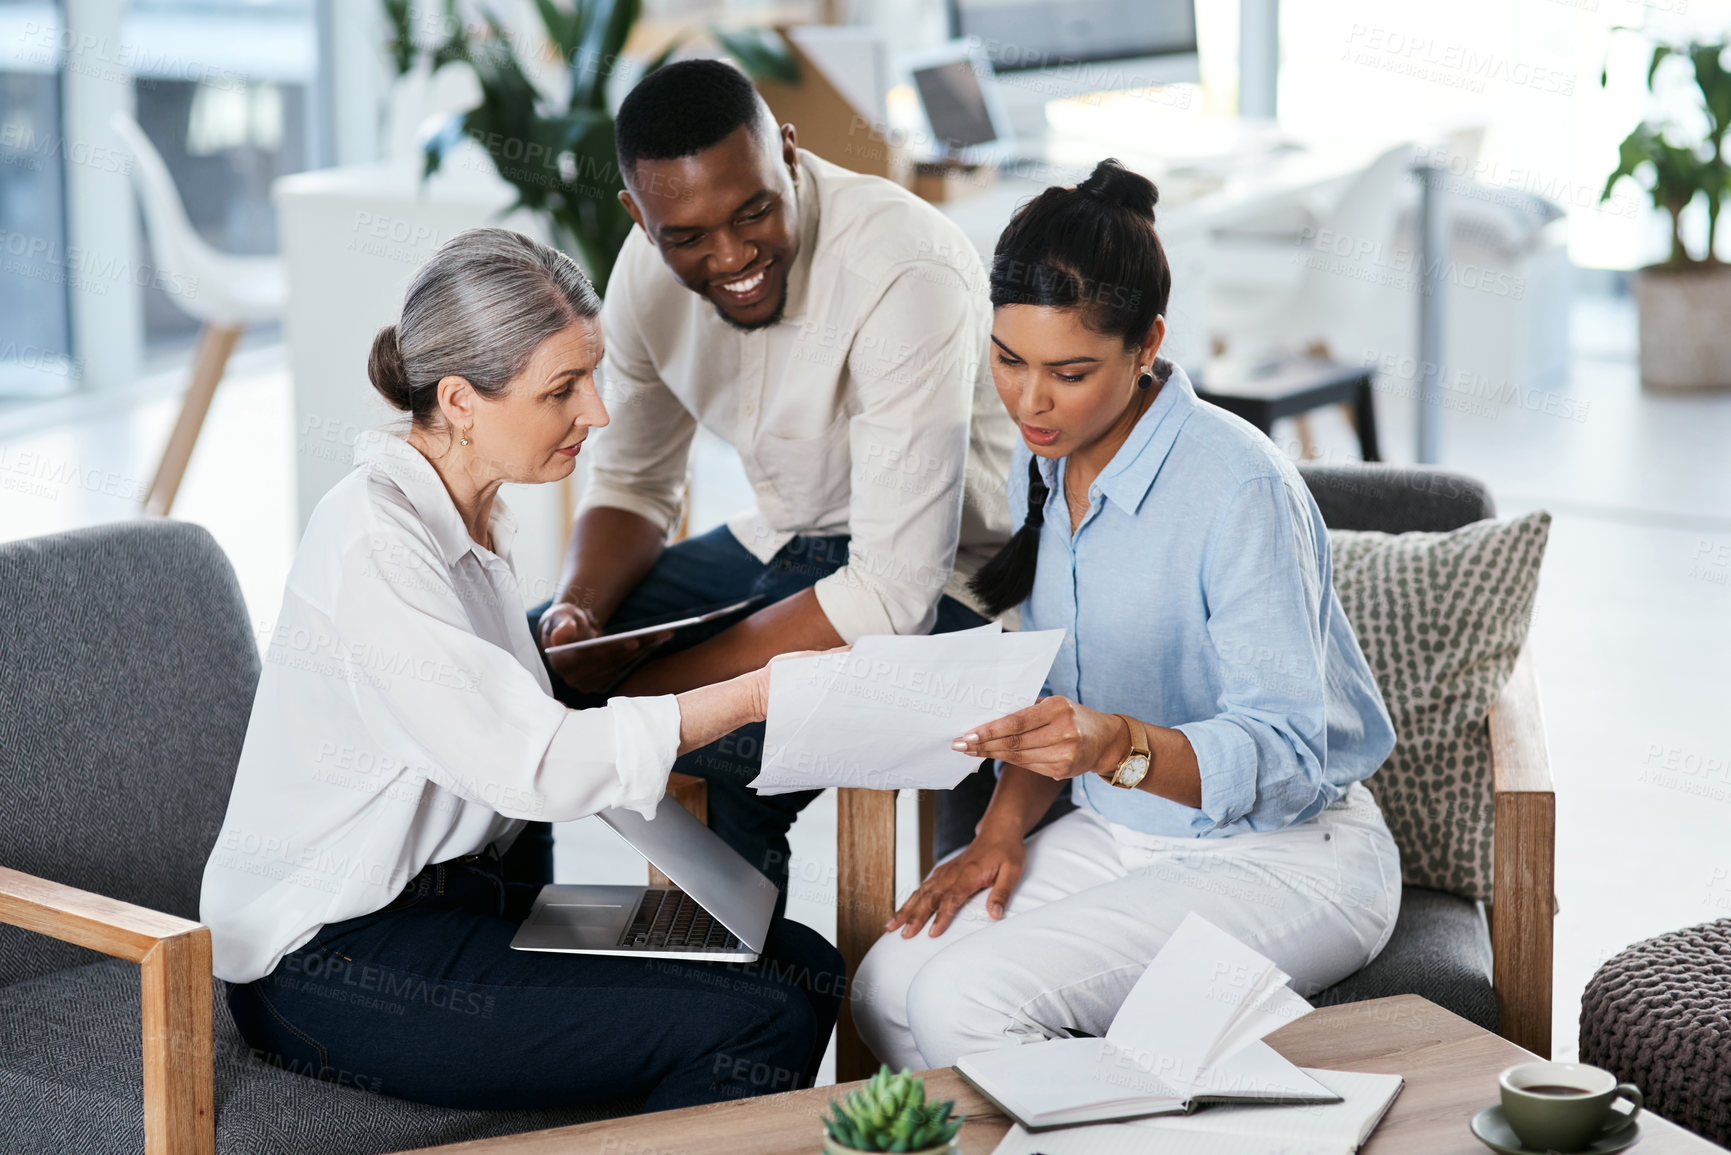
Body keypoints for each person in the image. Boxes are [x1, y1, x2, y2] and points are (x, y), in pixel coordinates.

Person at [201, 228, 844, 1111]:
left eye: (593, 375)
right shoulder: (373, 543)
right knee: (752, 1017)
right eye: (562, 389)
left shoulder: (470, 518)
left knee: (804, 964)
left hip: (476, 900)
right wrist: (757, 691)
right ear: (461, 399)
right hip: (340, 954)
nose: (598, 412)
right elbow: (530, 761)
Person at [849, 161, 1402, 1069]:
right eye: (1008, 359)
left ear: (1146, 344)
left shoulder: (1237, 486)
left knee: (961, 1003)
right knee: (883, 987)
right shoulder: (1053, 456)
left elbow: (1294, 754)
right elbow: (1055, 708)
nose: (1028, 401)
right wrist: (995, 836)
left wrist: (1114, 746)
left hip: (1286, 856)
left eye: (1068, 371)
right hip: (1121, 834)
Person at [528, 59, 1019, 897]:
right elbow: (635, 482)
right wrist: (581, 612)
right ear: (637, 217)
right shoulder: (645, 278)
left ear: (787, 154)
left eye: (753, 209)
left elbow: (891, 593)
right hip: (789, 543)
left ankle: (740, 1006)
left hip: (951, 589)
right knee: (514, 666)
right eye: (685, 235)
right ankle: (497, 955)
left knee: (718, 752)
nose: (731, 254)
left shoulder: (904, 270)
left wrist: (655, 691)